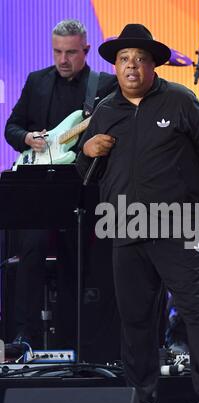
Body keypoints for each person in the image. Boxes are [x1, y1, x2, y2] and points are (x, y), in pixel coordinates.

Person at [77, 23, 199, 403]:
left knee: (197, 308)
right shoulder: (105, 110)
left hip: (178, 223)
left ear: (153, 66)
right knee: (135, 319)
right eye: (124, 60)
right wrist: (87, 149)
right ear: (115, 68)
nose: (132, 67)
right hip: (125, 224)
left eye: (141, 60)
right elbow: (87, 172)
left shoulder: (180, 102)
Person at [4, 19, 117, 348]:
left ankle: (78, 336)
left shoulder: (105, 85)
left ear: (86, 50)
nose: (63, 59)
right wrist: (27, 137)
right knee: (30, 251)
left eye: (70, 52)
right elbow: (12, 127)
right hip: (39, 185)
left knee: (77, 261)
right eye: (57, 52)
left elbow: (114, 129)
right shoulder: (36, 81)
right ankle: (24, 334)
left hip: (82, 185)